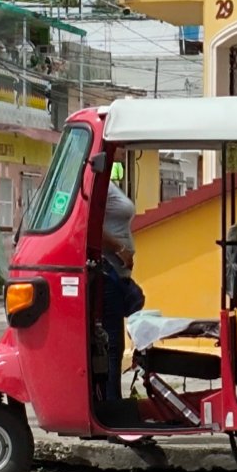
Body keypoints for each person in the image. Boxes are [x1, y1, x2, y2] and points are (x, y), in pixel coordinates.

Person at [99, 158, 143, 400]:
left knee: (117, 344)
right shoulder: (97, 184)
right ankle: (112, 407)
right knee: (113, 346)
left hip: (119, 274)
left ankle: (113, 400)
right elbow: (90, 225)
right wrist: (119, 249)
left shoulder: (110, 183)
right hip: (109, 274)